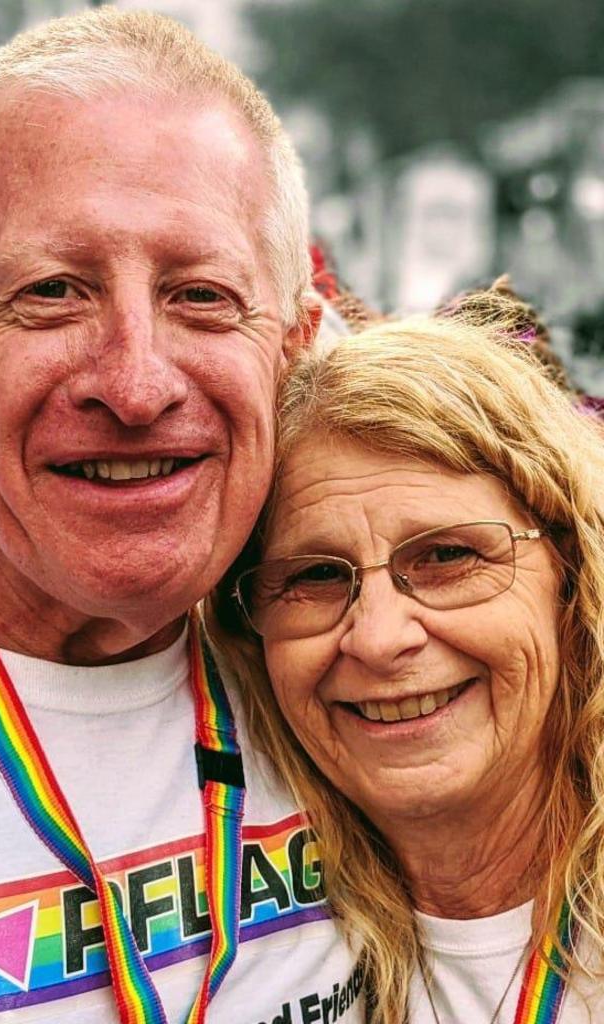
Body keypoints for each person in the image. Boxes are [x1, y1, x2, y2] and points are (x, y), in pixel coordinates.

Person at [0, 9, 365, 1023]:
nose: (135, 382)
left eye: (202, 295)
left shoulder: (371, 662)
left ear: (291, 351)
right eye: (51, 292)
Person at [208, 294, 604, 1023]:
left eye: (449, 556)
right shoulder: (248, 932)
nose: (380, 637)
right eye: (316, 576)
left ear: (573, 574)